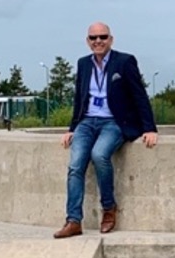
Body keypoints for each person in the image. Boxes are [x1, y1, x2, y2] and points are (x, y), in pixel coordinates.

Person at [54, 22, 158, 238]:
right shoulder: (83, 64)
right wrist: (72, 128)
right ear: (87, 41)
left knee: (99, 155)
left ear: (111, 39)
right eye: (93, 38)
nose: (98, 41)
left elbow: (139, 95)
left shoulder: (124, 62)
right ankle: (73, 221)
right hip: (87, 122)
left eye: (102, 37)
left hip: (113, 122)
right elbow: (79, 98)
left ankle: (109, 208)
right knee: (75, 166)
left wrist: (149, 128)